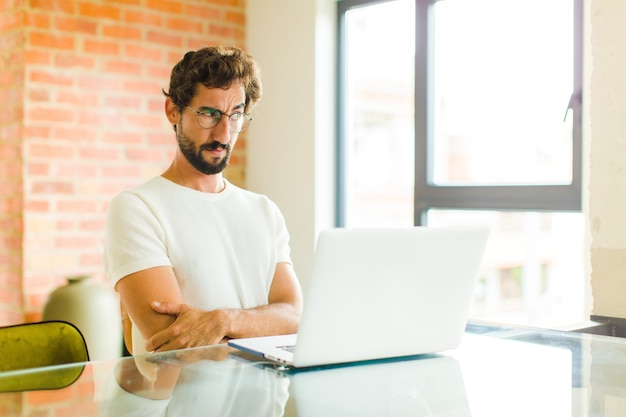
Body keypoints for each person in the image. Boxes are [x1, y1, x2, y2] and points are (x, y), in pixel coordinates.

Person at [104, 45, 303, 355]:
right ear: (173, 110)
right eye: (209, 114)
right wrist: (262, 329)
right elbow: (172, 345)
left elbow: (295, 316)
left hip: (264, 402)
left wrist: (222, 321)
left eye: (235, 115)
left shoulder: (264, 211)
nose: (224, 133)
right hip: (181, 403)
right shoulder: (137, 208)